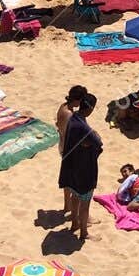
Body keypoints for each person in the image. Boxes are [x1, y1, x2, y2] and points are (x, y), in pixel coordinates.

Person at [59, 91, 102, 242]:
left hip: (72, 167)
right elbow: (98, 144)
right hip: (84, 170)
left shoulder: (73, 118)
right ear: (90, 109)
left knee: (75, 197)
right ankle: (84, 233)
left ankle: (75, 223)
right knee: (85, 203)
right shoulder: (84, 128)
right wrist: (95, 136)